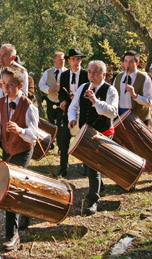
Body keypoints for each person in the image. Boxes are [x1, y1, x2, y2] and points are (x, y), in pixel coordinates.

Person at [0, 65, 39, 251]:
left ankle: (12, 235)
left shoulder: (29, 106)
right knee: (19, 187)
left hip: (23, 150)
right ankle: (26, 216)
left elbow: (34, 135)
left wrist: (20, 131)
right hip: (7, 148)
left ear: (20, 86)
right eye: (4, 84)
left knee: (10, 188)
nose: (6, 88)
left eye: (11, 85)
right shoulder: (1, 103)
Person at [67, 60, 118, 215]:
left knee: (94, 166)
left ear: (103, 74)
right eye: (90, 71)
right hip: (86, 132)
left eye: (95, 72)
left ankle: (93, 199)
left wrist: (96, 101)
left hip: (103, 133)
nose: (91, 75)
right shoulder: (83, 87)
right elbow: (73, 106)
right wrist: (72, 118)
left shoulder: (111, 90)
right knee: (90, 165)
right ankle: (99, 185)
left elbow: (113, 112)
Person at [57, 48, 89, 177]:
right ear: (69, 61)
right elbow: (61, 94)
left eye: (78, 59)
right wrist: (63, 101)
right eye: (73, 59)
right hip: (69, 112)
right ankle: (63, 168)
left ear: (81, 60)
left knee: (84, 141)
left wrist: (78, 98)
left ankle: (87, 168)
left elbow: (89, 92)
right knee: (64, 139)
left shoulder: (86, 74)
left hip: (84, 112)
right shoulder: (64, 75)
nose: (76, 62)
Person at [0, 43, 29, 110]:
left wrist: (3, 86)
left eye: (5, 55)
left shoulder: (21, 71)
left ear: (13, 57)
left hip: (14, 107)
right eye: (0, 55)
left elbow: (24, 94)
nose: (1, 58)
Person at [112, 50, 152, 122]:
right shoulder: (118, 77)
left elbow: (149, 102)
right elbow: (113, 96)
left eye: (131, 62)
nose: (128, 64)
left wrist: (135, 96)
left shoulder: (144, 78)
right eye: (125, 61)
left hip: (139, 118)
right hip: (120, 118)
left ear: (137, 63)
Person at [38, 51, 67, 127]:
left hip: (63, 103)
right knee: (51, 124)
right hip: (51, 102)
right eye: (60, 59)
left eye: (63, 59)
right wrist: (48, 89)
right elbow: (41, 85)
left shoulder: (68, 73)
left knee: (60, 124)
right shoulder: (47, 72)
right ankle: (52, 138)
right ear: (54, 60)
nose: (62, 61)